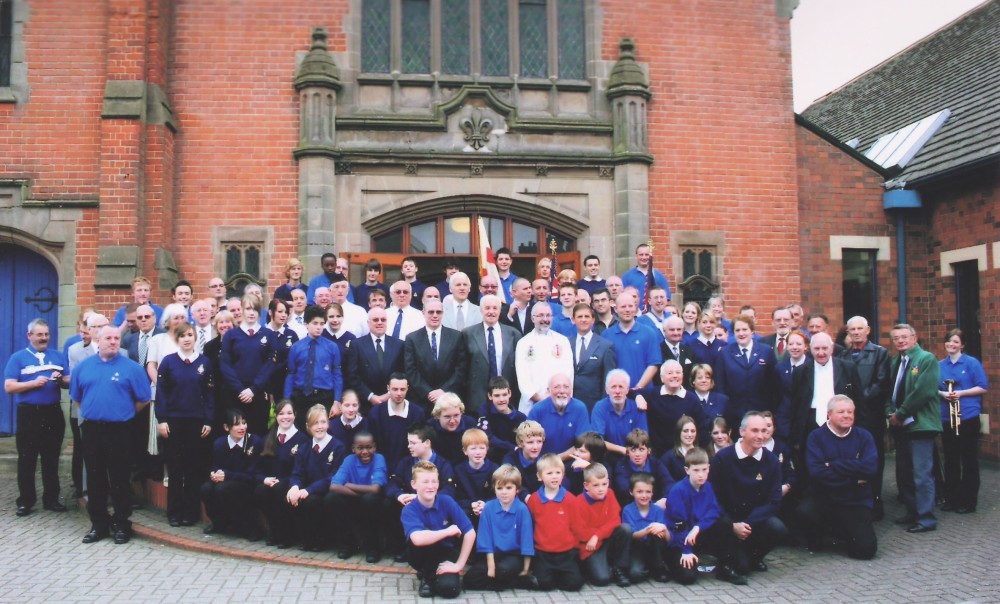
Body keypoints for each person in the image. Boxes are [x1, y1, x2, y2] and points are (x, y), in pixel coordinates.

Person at [70, 325, 152, 544]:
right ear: (98, 339)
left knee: (120, 479)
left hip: (120, 431)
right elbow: (77, 398)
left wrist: (123, 413)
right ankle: (99, 524)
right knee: (95, 479)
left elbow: (144, 398)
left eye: (117, 338)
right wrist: (94, 412)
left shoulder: (132, 368)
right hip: (92, 429)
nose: (114, 341)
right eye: (109, 338)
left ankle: (122, 524)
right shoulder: (83, 368)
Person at [796, 395, 878, 559]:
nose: (847, 415)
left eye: (850, 412)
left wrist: (833, 464)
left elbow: (870, 468)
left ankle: (844, 533)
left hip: (855, 500)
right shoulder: (816, 436)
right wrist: (855, 478)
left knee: (865, 551)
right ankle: (824, 535)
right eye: (841, 412)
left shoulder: (864, 436)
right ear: (829, 414)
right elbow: (817, 472)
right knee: (805, 512)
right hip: (824, 497)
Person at [709, 412, 788, 577]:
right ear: (742, 431)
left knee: (777, 528)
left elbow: (774, 501)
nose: (761, 436)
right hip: (728, 522)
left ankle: (753, 557)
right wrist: (732, 525)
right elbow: (712, 497)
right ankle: (731, 557)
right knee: (741, 569)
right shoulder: (722, 458)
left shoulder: (772, 461)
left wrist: (747, 523)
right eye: (755, 431)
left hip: (753, 522)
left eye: (764, 431)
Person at [4, 318, 69, 517]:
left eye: (46, 334)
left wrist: (61, 381)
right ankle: (25, 501)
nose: (44, 338)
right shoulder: (18, 358)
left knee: (51, 458)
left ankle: (51, 499)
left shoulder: (57, 356)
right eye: (39, 335)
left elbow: (67, 380)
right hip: (29, 413)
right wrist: (32, 384)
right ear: (29, 336)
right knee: (27, 459)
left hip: (52, 412)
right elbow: (9, 386)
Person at [155, 323, 214, 527]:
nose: (187, 339)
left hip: (196, 422)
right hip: (174, 422)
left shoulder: (205, 363)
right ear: (177, 339)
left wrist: (208, 420)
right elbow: (161, 392)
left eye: (190, 335)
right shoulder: (169, 362)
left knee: (192, 469)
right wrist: (162, 419)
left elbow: (209, 395)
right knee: (175, 468)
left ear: (195, 337)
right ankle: (174, 513)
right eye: (182, 336)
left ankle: (191, 512)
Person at [887, 323, 941, 533]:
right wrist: (889, 413)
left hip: (920, 425)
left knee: (921, 474)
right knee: (905, 473)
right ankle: (913, 511)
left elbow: (923, 392)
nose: (900, 340)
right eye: (896, 338)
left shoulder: (926, 359)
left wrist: (900, 413)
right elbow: (889, 391)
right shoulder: (895, 362)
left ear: (914, 338)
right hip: (900, 426)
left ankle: (926, 518)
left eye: (904, 337)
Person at [666, 448, 745, 585]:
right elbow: (678, 526)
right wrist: (686, 551)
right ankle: (671, 563)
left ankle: (725, 568)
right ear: (687, 470)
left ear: (709, 468)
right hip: (680, 540)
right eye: (696, 470)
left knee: (724, 523)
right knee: (688, 577)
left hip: (697, 534)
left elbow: (714, 511)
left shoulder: (708, 486)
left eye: (704, 470)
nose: (701, 475)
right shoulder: (678, 491)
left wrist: (697, 527)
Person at [790, 332, 861, 483]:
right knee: (811, 463)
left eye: (824, 348)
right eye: (816, 349)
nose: (821, 353)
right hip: (811, 421)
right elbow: (796, 403)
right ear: (809, 349)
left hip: (839, 421)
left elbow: (859, 400)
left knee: (839, 461)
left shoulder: (848, 368)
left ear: (832, 348)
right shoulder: (800, 371)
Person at [401, 460, 477, 599]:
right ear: (414, 484)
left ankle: (433, 577)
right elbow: (417, 539)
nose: (431, 486)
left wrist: (459, 565)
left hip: (445, 553)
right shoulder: (409, 509)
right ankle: (428, 577)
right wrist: (448, 531)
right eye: (425, 482)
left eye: (434, 481)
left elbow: (470, 532)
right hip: (422, 554)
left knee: (450, 590)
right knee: (419, 540)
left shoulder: (446, 501)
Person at [839, 315, 891, 516]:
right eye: (852, 329)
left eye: (860, 329)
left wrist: (857, 403)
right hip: (846, 417)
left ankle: (875, 501)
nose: (856, 332)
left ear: (868, 330)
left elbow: (881, 383)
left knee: (873, 458)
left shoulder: (880, 353)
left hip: (870, 416)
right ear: (848, 332)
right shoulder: (843, 355)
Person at [937, 329, 988, 514]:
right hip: (946, 417)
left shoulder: (971, 363)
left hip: (967, 417)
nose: (952, 345)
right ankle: (952, 499)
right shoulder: (939, 365)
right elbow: (933, 388)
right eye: (949, 341)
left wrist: (961, 393)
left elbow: (983, 387)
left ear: (962, 345)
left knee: (968, 460)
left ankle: (968, 501)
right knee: (950, 459)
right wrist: (943, 394)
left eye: (956, 342)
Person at [463, 464, 536, 591]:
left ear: (517, 490)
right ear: (494, 489)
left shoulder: (522, 509)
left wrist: (525, 570)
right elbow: (485, 538)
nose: (504, 492)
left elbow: (526, 540)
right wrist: (490, 566)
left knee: (503, 570)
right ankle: (508, 583)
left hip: (513, 555)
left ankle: (507, 581)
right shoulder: (489, 508)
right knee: (469, 580)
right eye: (499, 488)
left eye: (508, 488)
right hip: (493, 554)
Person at [285, 404, 346, 551]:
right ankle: (306, 539)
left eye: (323, 422)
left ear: (328, 423)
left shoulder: (338, 446)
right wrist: (294, 487)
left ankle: (320, 540)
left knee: (312, 501)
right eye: (315, 423)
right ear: (308, 426)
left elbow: (334, 476)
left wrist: (309, 490)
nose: (319, 427)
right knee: (291, 497)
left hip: (327, 490)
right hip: (308, 489)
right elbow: (297, 472)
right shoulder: (304, 447)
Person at [325, 430, 388, 562]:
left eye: (369, 447)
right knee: (332, 498)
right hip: (355, 501)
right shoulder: (349, 460)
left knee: (369, 499)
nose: (365, 452)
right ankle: (347, 545)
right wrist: (360, 495)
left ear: (374, 447)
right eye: (360, 448)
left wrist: (347, 485)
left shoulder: (379, 459)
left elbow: (375, 489)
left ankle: (373, 548)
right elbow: (334, 486)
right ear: (353, 448)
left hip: (374, 504)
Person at [201, 408, 263, 539]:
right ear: (226, 427)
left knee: (222, 489)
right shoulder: (219, 444)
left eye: (244, 423)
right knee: (206, 488)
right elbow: (215, 466)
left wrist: (227, 475)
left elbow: (252, 475)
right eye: (236, 424)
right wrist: (214, 474)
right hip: (226, 481)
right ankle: (218, 523)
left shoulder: (254, 442)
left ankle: (247, 527)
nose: (242, 427)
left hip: (246, 483)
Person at [526, 453, 585, 592]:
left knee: (575, 584)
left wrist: (575, 549)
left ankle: (560, 576)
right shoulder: (534, 500)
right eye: (549, 473)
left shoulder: (570, 499)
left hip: (566, 553)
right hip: (543, 553)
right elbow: (531, 526)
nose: (554, 476)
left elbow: (576, 527)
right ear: (540, 477)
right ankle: (549, 577)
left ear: (563, 475)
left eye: (558, 472)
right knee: (545, 585)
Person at [254, 400, 308, 549]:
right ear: (276, 416)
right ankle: (274, 530)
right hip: (270, 482)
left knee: (279, 491)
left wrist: (281, 482)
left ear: (295, 415)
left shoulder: (302, 440)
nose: (286, 417)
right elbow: (257, 469)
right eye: (281, 413)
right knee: (260, 491)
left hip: (290, 482)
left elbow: (300, 470)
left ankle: (286, 534)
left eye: (289, 413)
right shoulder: (267, 439)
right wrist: (264, 479)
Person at [219, 295, 276, 435]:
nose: (251, 313)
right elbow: (225, 364)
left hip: (258, 393)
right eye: (248, 309)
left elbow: (269, 364)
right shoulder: (231, 335)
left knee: (257, 434)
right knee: (235, 434)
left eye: (255, 309)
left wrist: (253, 389)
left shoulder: (268, 335)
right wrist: (240, 389)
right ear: (242, 311)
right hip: (235, 394)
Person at [713, 314, 779, 429]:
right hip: (733, 414)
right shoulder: (724, 353)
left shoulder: (766, 351)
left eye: (745, 329)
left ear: (752, 332)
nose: (741, 333)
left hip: (760, 411)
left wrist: (770, 410)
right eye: (737, 330)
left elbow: (773, 383)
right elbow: (720, 385)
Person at [403, 300, 469, 414]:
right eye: (431, 312)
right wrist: (428, 392)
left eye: (438, 312)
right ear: (423, 313)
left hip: (449, 400)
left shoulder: (456, 336)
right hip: (421, 400)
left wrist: (443, 391)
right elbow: (410, 370)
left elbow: (461, 367)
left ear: (443, 314)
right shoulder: (412, 338)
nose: (435, 315)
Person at [283, 305, 344, 427]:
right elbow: (291, 374)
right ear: (306, 324)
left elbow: (337, 374)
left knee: (321, 430)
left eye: (322, 324)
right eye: (315, 323)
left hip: (324, 396)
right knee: (301, 431)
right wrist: (287, 401)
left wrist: (336, 401)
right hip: (301, 397)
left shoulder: (331, 347)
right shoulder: (296, 347)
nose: (319, 327)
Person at [572, 463, 632, 587]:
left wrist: (597, 535)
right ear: (586, 486)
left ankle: (619, 568)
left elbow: (615, 520)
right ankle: (595, 568)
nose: (601, 489)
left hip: (601, 539)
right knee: (602, 579)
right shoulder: (579, 502)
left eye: (604, 484)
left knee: (625, 529)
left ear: (608, 482)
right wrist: (599, 534)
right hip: (590, 546)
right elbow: (580, 532)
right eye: (596, 485)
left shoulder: (609, 494)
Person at [463, 294, 520, 410]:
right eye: (487, 308)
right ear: (481, 310)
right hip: (477, 396)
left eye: (495, 308)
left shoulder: (513, 334)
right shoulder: (468, 334)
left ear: (500, 310)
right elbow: (463, 367)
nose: (491, 312)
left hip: (505, 395)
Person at [637, 360, 705, 457]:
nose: (674, 376)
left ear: (682, 376)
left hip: (684, 455)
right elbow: (630, 392)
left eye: (678, 373)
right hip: (657, 455)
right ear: (661, 377)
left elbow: (702, 429)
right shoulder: (652, 395)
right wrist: (638, 397)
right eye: (670, 373)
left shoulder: (692, 400)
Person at [347, 307, 405, 413]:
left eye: (383, 320)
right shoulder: (356, 345)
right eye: (375, 320)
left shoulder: (399, 344)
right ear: (368, 323)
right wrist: (370, 396)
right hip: (366, 403)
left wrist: (389, 394)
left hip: (393, 402)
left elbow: (402, 373)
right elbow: (352, 376)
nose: (379, 323)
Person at [368, 373, 427, 472]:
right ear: (388, 388)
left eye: (402, 389)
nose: (399, 393)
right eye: (395, 389)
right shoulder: (375, 414)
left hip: (410, 468)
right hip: (381, 468)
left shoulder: (417, 413)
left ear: (407, 388)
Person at [602, 293, 662, 389]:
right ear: (616, 309)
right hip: (617, 394)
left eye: (630, 306)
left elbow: (653, 364)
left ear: (635, 307)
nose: (627, 310)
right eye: (623, 307)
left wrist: (638, 388)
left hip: (644, 394)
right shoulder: (606, 335)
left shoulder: (649, 333)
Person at [621, 473, 671, 583]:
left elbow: (668, 539)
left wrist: (663, 528)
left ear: (652, 493)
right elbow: (633, 535)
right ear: (631, 492)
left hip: (654, 547)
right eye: (639, 492)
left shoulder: (658, 510)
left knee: (658, 533)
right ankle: (647, 567)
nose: (644, 495)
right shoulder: (628, 510)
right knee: (635, 575)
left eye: (648, 492)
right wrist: (649, 529)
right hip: (637, 548)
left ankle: (658, 568)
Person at [527, 373, 591, 459]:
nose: (562, 391)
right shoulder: (538, 409)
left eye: (566, 387)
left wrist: (557, 459)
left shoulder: (580, 408)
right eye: (557, 387)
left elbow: (582, 444)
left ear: (571, 390)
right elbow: (528, 441)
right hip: (542, 462)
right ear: (549, 390)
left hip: (571, 461)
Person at [591, 369, 649, 458]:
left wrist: (630, 452)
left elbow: (642, 439)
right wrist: (623, 450)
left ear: (627, 390)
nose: (617, 391)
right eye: (613, 387)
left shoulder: (637, 408)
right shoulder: (600, 407)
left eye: (621, 387)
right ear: (607, 390)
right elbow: (596, 440)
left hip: (632, 457)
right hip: (606, 457)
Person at [569, 303, 617, 409]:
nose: (583, 320)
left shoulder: (605, 346)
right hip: (570, 403)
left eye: (587, 316)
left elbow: (608, 380)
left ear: (593, 320)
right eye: (580, 317)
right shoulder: (566, 343)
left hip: (595, 404)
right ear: (573, 320)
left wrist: (604, 405)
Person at [613, 429, 673, 507]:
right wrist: (651, 505)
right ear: (627, 452)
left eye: (641, 449)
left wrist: (664, 499)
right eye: (633, 450)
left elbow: (669, 483)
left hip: (657, 506)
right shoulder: (621, 467)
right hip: (632, 508)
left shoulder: (655, 463)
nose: (637, 454)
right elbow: (625, 490)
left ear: (648, 451)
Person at [452, 428, 499, 526]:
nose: (478, 452)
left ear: (487, 449)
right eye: (473, 448)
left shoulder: (495, 470)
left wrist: (486, 504)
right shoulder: (458, 471)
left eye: (482, 448)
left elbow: (498, 495)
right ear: (465, 451)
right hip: (467, 512)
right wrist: (471, 505)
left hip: (489, 510)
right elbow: (457, 497)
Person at [475, 376, 526, 463]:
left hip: (512, 459)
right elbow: (487, 437)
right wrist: (512, 447)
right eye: (497, 395)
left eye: (504, 394)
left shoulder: (521, 418)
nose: (501, 399)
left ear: (510, 393)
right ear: (490, 396)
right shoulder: (485, 409)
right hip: (490, 459)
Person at [428, 393, 478, 466]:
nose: (452, 421)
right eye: (447, 417)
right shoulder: (429, 427)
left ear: (461, 412)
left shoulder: (470, 424)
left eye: (456, 415)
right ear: (438, 415)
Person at [502, 420, 546, 500]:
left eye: (539, 441)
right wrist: (526, 497)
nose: (535, 447)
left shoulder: (545, 461)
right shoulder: (510, 460)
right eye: (530, 442)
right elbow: (509, 482)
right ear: (520, 443)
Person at [621, 243, 671, 311]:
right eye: (641, 255)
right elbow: (622, 298)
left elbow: (666, 299)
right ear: (636, 256)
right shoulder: (627, 276)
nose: (644, 257)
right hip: (634, 315)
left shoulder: (659, 276)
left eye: (646, 255)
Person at [689, 363, 728, 437]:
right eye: (700, 378)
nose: (704, 380)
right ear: (693, 381)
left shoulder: (722, 400)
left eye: (707, 377)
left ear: (711, 381)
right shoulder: (687, 399)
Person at [660, 316, 696, 386]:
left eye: (679, 329)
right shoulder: (658, 350)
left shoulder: (689, 350)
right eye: (672, 330)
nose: (676, 333)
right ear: (664, 331)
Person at [662, 415, 699, 481]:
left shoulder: (701, 454)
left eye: (693, 431)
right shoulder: (668, 458)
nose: (690, 435)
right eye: (685, 431)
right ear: (679, 432)